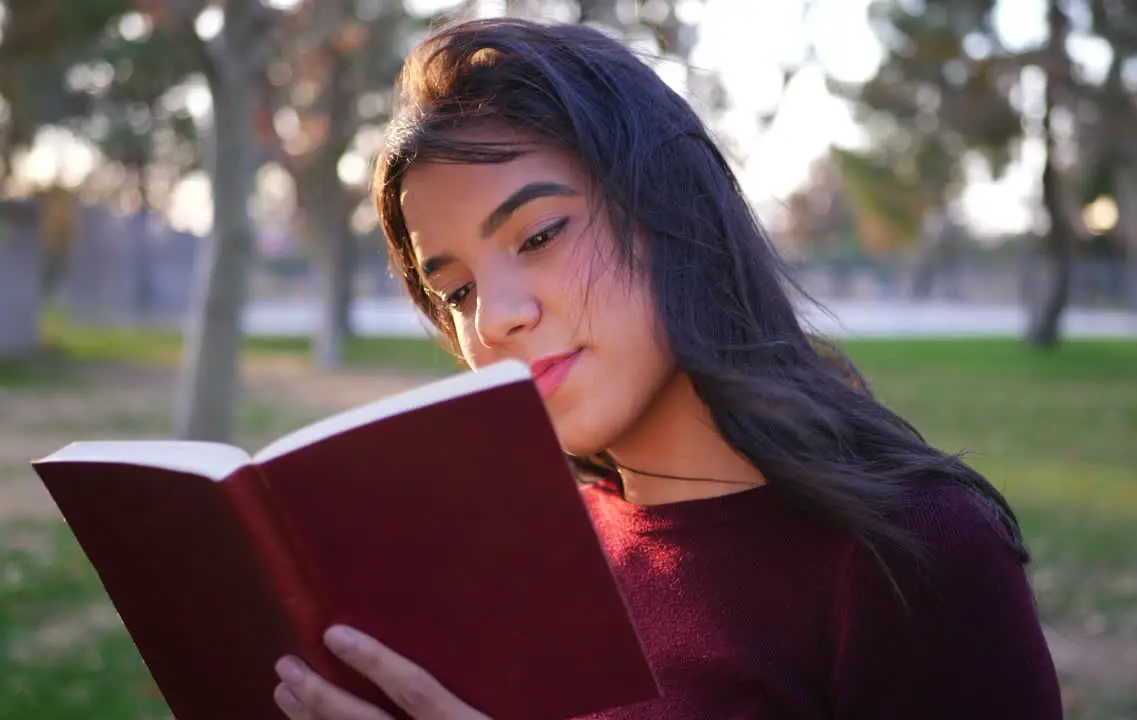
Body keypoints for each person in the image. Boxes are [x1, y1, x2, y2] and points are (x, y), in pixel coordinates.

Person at [270, 17, 1063, 720]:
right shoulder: (529, 559)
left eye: (539, 235)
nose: (493, 318)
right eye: (456, 290)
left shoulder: (909, 554)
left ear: (669, 210)